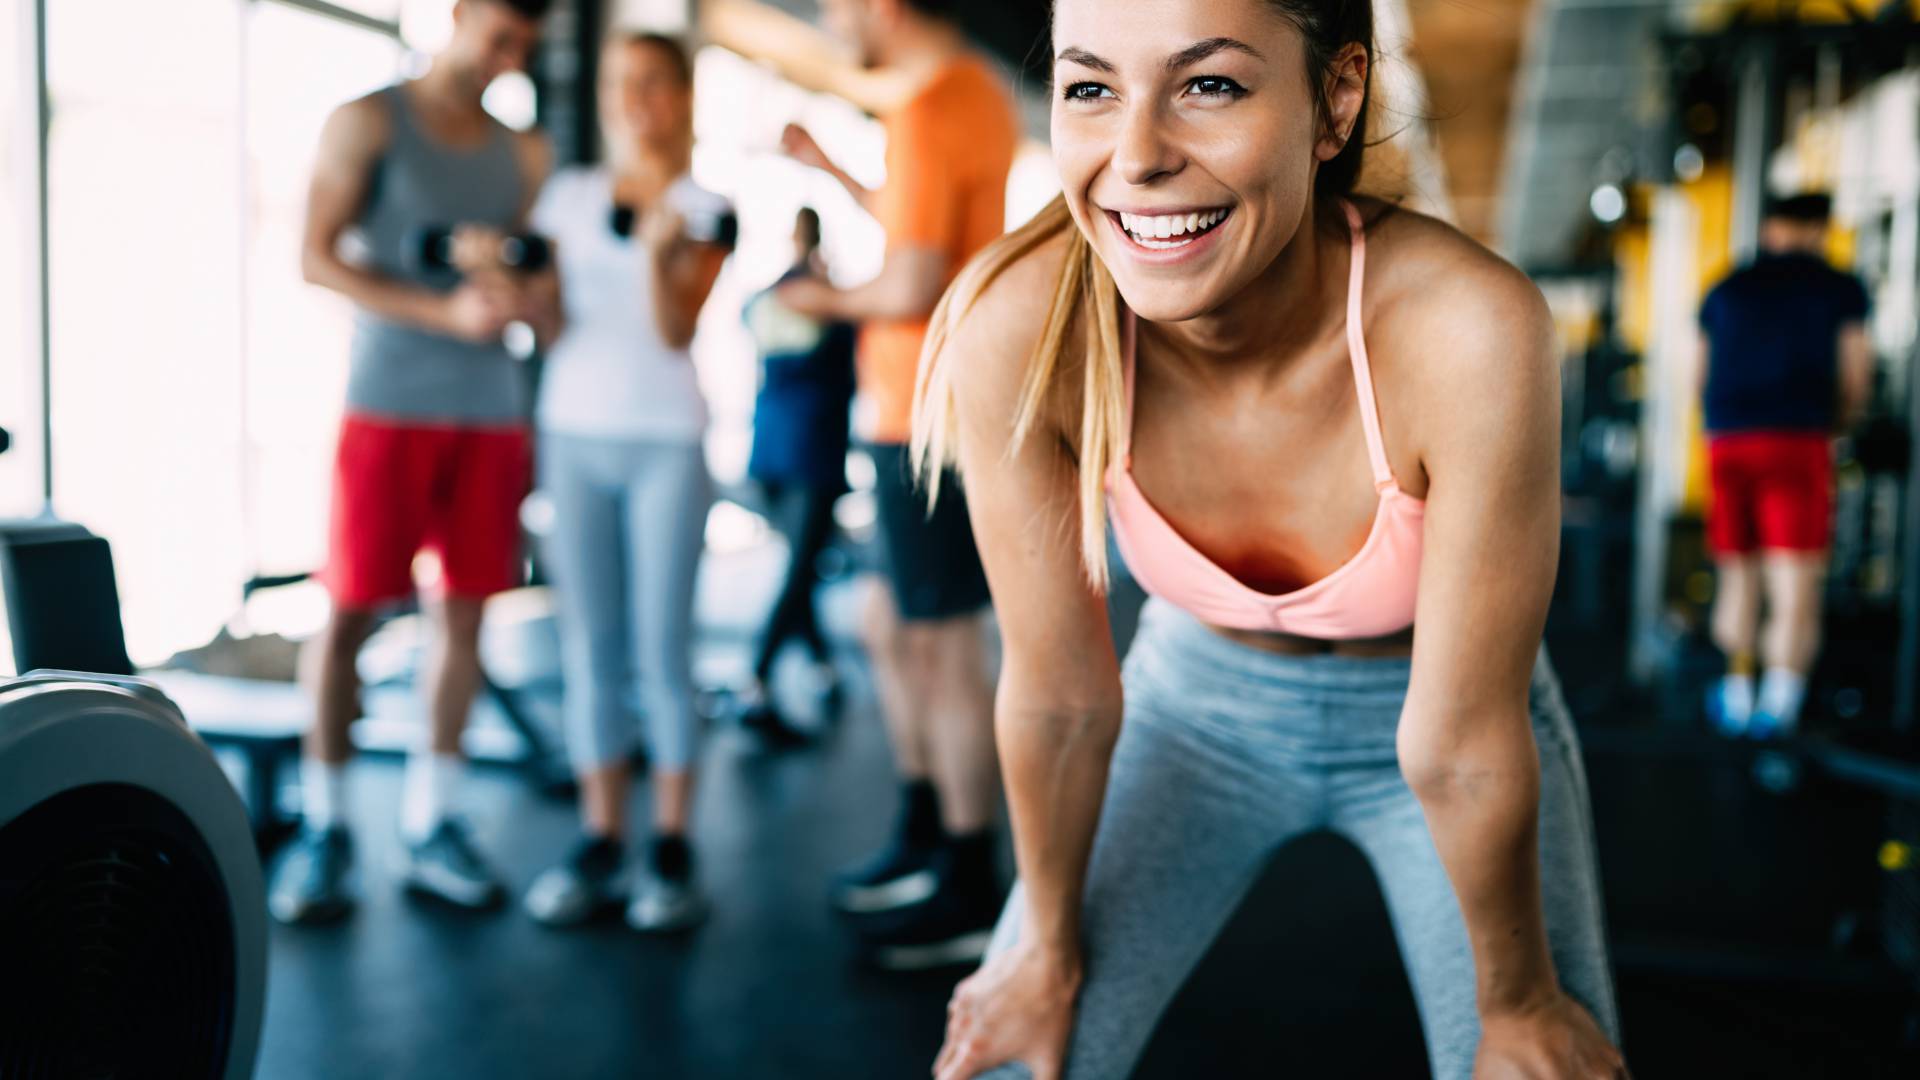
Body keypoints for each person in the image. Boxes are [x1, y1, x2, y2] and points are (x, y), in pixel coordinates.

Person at [910, 1, 1627, 1077]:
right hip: (1196, 711)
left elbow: (1458, 742)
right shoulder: (1021, 324)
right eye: (1091, 88)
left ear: (1335, 102)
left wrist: (1517, 1003)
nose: (1138, 157)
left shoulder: (1469, 327)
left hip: (1441, 717)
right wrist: (1045, 952)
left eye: (1210, 85)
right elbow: (1059, 697)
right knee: (1014, 1060)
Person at [270, 0, 553, 925]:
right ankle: (327, 828)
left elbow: (535, 283)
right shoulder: (366, 120)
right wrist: (444, 314)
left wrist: (514, 291)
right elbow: (314, 260)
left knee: (464, 622)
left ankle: (435, 821)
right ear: (461, 14)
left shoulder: (524, 154)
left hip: (490, 415)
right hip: (387, 407)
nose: (507, 60)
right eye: (499, 38)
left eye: (523, 48)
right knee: (350, 613)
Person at [776, 0, 1019, 969]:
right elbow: (921, 233)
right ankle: (927, 835)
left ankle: (969, 882)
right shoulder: (959, 98)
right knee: (890, 624)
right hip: (911, 414)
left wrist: (813, 298)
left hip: (929, 417)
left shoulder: (932, 106)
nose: (831, 16)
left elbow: (912, 284)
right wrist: (833, 173)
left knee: (944, 647)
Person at [518, 32, 734, 932]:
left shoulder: (706, 207)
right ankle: (603, 836)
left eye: (651, 83)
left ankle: (671, 847)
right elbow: (550, 317)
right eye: (619, 83)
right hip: (572, 432)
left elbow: (676, 329)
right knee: (588, 648)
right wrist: (513, 279)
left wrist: (655, 251)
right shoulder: (566, 197)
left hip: (665, 441)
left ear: (680, 96)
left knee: (660, 649)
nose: (633, 100)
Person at [1699, 192, 1873, 740]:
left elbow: (1697, 374)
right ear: (1818, 229)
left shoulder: (1726, 285)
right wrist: (1840, 427)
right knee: (1794, 576)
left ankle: (1736, 692)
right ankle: (1780, 705)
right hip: (1797, 441)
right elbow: (1855, 375)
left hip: (1727, 441)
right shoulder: (1837, 285)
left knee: (1737, 573)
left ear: (1770, 226)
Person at [736, 207, 858, 739]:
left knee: (800, 566)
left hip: (770, 447)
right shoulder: (826, 300)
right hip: (811, 450)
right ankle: (755, 678)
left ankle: (820, 666)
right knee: (800, 569)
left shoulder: (765, 298)